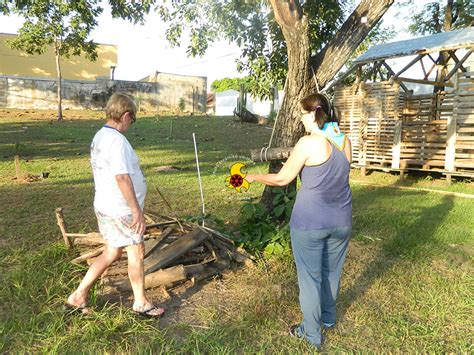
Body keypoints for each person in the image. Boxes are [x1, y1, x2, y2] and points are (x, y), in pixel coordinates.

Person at [246, 93, 352, 349]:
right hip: (341, 220)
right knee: (331, 273)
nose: (300, 118)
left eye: (303, 114)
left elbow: (282, 179)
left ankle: (311, 333)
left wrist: (254, 177)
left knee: (310, 278)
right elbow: (335, 171)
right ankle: (327, 318)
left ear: (314, 114)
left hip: (310, 223)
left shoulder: (308, 142)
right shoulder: (343, 140)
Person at [66, 93, 164, 318]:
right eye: (133, 118)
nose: (132, 122)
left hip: (105, 204)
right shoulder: (117, 141)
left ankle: (78, 295)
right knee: (136, 250)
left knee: (112, 251)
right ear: (126, 115)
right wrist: (136, 212)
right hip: (121, 209)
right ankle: (140, 302)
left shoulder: (100, 135)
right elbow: (122, 178)